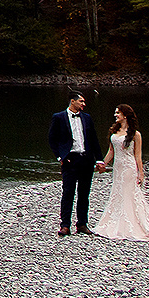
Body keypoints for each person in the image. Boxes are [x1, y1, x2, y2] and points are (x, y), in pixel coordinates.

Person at [93, 103, 149, 241]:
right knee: (117, 192)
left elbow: (138, 156)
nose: (115, 115)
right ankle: (117, 220)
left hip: (129, 168)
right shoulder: (114, 131)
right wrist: (102, 164)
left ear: (125, 115)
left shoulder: (135, 134)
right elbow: (111, 151)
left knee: (129, 194)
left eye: (118, 113)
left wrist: (140, 173)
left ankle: (132, 224)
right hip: (118, 168)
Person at [48, 90, 100, 235]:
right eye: (81, 101)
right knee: (68, 192)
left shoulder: (87, 118)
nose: (84, 104)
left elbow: (93, 139)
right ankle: (65, 225)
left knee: (84, 193)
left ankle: (82, 224)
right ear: (73, 101)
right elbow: (52, 139)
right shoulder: (59, 117)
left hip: (86, 159)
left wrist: (99, 159)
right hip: (70, 159)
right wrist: (60, 157)